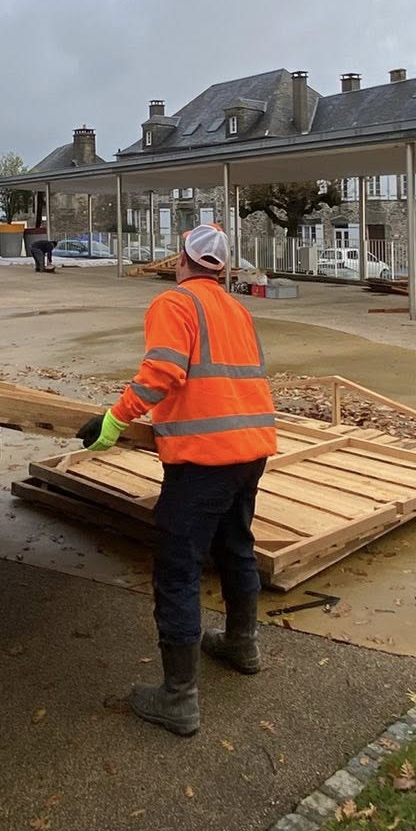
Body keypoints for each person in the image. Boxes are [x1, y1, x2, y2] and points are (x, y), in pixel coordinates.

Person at [79, 223, 277, 736]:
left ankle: (179, 697)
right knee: (236, 545)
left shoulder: (175, 303)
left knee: (179, 566)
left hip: (204, 459)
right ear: (224, 267)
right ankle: (242, 644)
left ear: (181, 260)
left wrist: (115, 418)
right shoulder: (238, 309)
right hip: (250, 449)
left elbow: (162, 373)